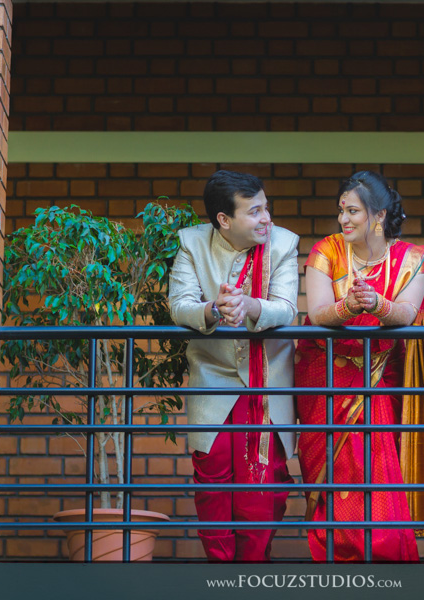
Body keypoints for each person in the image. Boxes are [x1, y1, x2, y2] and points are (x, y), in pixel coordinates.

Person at [296, 171, 424, 562]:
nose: (344, 219)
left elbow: (407, 313)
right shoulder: (328, 250)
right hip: (324, 378)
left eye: (352, 211)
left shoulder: (410, 258)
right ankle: (335, 560)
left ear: (378, 215)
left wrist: (377, 304)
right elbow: (317, 313)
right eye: (341, 210)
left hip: (378, 379)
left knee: (373, 470)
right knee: (335, 477)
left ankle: (382, 559)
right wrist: (350, 306)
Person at [169, 170, 299, 562]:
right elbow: (179, 305)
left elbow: (288, 308)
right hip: (213, 379)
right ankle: (221, 572)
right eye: (255, 211)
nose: (266, 219)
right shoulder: (192, 243)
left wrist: (250, 306)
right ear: (224, 220)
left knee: (261, 489)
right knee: (213, 483)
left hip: (267, 382)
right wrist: (214, 308)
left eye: (266, 208)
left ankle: (251, 571)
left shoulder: (283, 244)